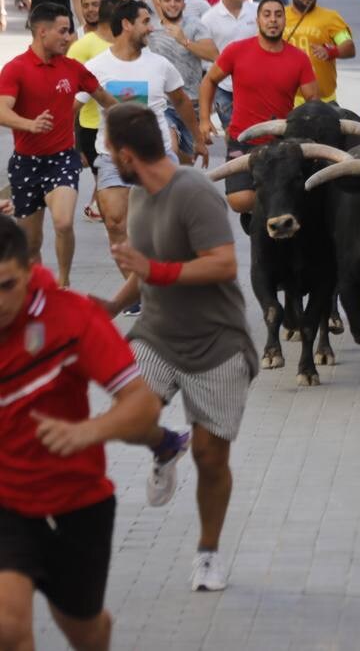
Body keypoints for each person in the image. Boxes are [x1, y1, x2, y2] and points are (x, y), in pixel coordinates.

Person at [95, 102, 259, 594]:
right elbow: (144, 267)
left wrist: (153, 274)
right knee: (130, 412)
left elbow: (224, 265)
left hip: (217, 343)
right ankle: (164, 447)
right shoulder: (139, 194)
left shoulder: (192, 192)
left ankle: (208, 554)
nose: (106, 157)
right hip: (158, 334)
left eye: (108, 150)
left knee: (210, 458)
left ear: (125, 154)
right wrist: (105, 308)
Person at [0, 215, 160, 651]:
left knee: (83, 629)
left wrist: (90, 431)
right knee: (8, 628)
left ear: (30, 269)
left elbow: (142, 404)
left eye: (6, 285)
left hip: (77, 502)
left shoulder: (72, 318)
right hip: (7, 503)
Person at [84, 0, 205, 278]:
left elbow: (181, 101)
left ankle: (165, 276)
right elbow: (73, 105)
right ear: (126, 25)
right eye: (145, 21)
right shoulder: (95, 66)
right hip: (112, 156)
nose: (151, 28)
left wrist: (198, 138)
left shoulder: (160, 64)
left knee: (167, 225)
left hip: (158, 154)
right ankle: (136, 289)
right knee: (115, 222)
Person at [0, 4, 116, 287]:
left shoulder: (73, 69)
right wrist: (29, 124)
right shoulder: (16, 69)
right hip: (26, 163)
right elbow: (2, 109)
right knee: (30, 244)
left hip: (62, 159)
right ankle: (39, 291)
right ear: (42, 32)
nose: (69, 37)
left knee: (63, 222)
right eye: (63, 31)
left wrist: (139, 122)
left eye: (70, 31)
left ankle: (63, 284)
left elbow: (106, 100)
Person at [199, 0, 320, 214]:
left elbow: (313, 101)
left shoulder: (299, 59)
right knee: (240, 201)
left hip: (281, 144)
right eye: (267, 15)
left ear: (285, 21)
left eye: (278, 15)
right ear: (258, 20)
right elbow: (209, 80)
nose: (272, 20)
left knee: (296, 199)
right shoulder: (236, 50)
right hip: (242, 140)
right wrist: (205, 119)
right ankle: (264, 212)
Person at [148, 0, 218, 163]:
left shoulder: (195, 25)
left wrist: (184, 40)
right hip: (162, 104)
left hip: (190, 105)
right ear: (159, 3)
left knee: (186, 164)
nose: (172, 4)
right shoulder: (150, 29)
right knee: (170, 149)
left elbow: (213, 55)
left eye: (177, 0)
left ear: (184, 4)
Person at [69, 0, 115, 224]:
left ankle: (98, 207)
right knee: (107, 177)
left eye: (95, 4)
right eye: (85, 5)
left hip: (118, 124)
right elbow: (72, 94)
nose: (90, 10)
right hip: (90, 124)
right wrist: (75, 141)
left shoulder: (125, 44)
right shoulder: (82, 46)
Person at [199, 0, 259, 136]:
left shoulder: (258, 12)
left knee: (256, 133)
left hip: (254, 86)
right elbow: (206, 61)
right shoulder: (209, 18)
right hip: (224, 88)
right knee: (234, 134)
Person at [285, 0, 354, 105]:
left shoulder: (331, 18)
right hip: (287, 102)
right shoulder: (279, 16)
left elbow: (349, 46)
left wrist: (331, 52)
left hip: (324, 103)